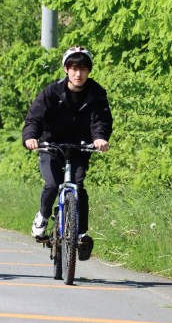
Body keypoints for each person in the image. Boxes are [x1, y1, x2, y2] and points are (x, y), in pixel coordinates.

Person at [22, 46, 112, 261]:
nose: (78, 74)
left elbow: (102, 120)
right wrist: (31, 138)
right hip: (51, 145)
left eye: (82, 69)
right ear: (65, 69)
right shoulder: (52, 92)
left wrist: (100, 138)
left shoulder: (97, 93)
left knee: (78, 188)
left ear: (89, 71)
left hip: (80, 146)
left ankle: (80, 234)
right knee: (53, 184)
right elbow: (34, 117)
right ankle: (43, 217)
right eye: (73, 68)